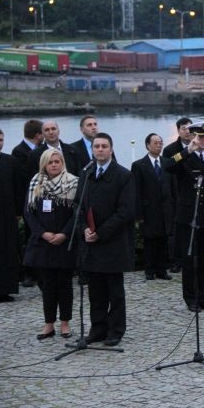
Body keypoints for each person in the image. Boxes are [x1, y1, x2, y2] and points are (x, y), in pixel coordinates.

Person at [76, 133, 135, 346]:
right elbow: (79, 206)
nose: (100, 150)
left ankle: (116, 330)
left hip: (113, 242)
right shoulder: (86, 173)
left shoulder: (123, 175)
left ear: (111, 149)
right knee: (96, 291)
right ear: (92, 150)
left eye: (104, 146)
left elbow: (126, 211)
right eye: (96, 146)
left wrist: (101, 232)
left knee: (114, 291)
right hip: (91, 242)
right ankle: (98, 328)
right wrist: (84, 229)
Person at [164, 122, 204, 312]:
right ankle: (191, 298)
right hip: (189, 217)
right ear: (192, 137)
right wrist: (187, 151)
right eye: (200, 137)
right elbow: (167, 165)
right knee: (190, 260)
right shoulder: (184, 157)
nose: (203, 140)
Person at [24, 149, 78, 339]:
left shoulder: (73, 183)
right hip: (43, 243)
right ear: (44, 165)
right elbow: (29, 213)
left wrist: (64, 233)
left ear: (63, 162)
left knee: (64, 284)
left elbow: (77, 214)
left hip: (64, 243)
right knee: (47, 285)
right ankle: (49, 324)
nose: (54, 165)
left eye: (57, 161)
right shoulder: (35, 183)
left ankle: (65, 323)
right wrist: (43, 233)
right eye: (50, 162)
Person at [131, 133, 177, 281]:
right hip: (148, 210)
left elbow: (173, 187)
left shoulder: (167, 163)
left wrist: (174, 207)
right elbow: (136, 191)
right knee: (150, 242)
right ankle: (149, 271)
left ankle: (162, 270)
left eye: (161, 143)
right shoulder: (139, 165)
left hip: (166, 209)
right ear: (147, 145)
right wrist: (139, 215)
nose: (159, 145)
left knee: (163, 241)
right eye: (156, 143)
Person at [12, 119, 44, 288]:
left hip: (41, 199)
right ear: (38, 135)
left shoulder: (40, 150)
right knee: (32, 237)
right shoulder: (19, 152)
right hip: (29, 199)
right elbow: (22, 179)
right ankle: (29, 272)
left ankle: (40, 271)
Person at [0, 128, 23, 303]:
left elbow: (17, 188)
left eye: (0, 140)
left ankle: (6, 289)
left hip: (8, 215)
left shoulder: (10, 161)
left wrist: (19, 212)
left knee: (8, 251)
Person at [162, 117, 193, 273]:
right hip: (175, 194)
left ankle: (191, 259)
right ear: (178, 131)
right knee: (176, 231)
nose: (187, 131)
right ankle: (176, 261)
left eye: (189, 128)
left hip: (193, 194)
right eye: (183, 128)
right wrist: (184, 153)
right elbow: (167, 169)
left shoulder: (198, 146)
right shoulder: (169, 150)